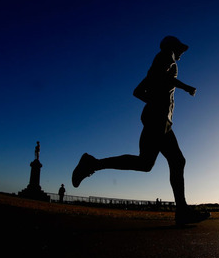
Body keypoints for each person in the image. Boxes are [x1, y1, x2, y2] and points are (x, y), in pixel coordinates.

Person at [72, 36, 209, 225]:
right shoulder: (166, 57)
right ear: (172, 47)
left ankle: (92, 164)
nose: (181, 55)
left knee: (149, 163)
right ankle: (182, 211)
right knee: (173, 161)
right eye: (180, 50)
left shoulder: (159, 63)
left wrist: (154, 102)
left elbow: (138, 91)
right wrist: (185, 87)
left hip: (160, 120)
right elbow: (163, 78)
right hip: (158, 120)